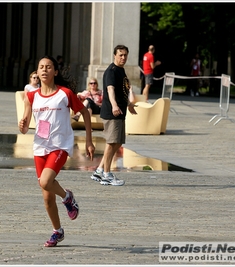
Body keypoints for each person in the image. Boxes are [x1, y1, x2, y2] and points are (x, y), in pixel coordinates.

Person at [19, 55, 95, 247]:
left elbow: (85, 113)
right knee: (46, 195)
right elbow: (26, 126)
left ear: (55, 72)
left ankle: (67, 197)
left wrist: (88, 141)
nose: (44, 70)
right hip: (40, 147)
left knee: (46, 181)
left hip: (60, 145)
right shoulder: (31, 96)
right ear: (37, 72)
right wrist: (22, 125)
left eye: (48, 67)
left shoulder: (65, 93)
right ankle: (57, 231)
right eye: (41, 67)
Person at [90, 44, 137, 186]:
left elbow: (123, 91)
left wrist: (129, 105)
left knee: (118, 142)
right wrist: (115, 105)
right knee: (111, 143)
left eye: (125, 55)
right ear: (115, 55)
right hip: (112, 112)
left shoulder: (121, 70)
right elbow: (110, 90)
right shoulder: (111, 71)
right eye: (120, 55)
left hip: (120, 112)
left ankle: (99, 171)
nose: (123, 57)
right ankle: (106, 174)